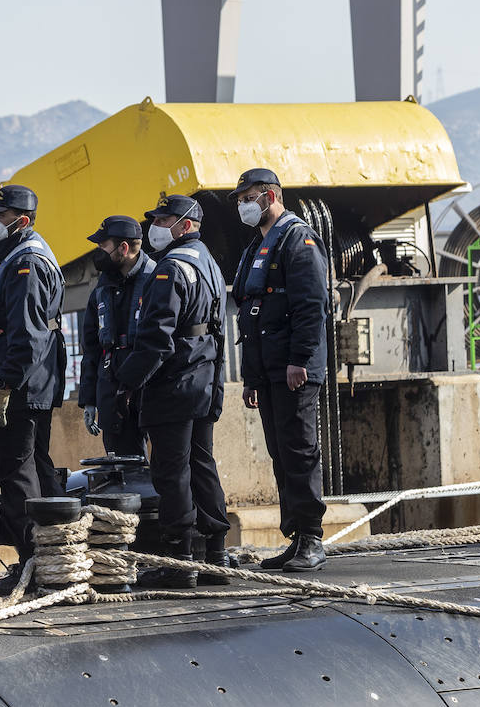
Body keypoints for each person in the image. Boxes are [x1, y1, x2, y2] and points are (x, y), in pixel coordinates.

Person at [115, 194, 231, 588]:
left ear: (185, 225)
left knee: (170, 470)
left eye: (163, 220)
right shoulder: (209, 263)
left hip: (175, 382)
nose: (156, 227)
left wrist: (128, 381)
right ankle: (217, 552)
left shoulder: (170, 269)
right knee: (202, 463)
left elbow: (156, 338)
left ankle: (180, 558)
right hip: (204, 379)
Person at [230, 168, 330, 572]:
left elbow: (311, 306)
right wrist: (252, 378)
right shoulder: (257, 246)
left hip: (293, 370)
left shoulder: (297, 239)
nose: (242, 206)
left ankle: (312, 538)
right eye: (239, 200)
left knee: (299, 450)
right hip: (268, 370)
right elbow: (251, 314)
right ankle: (295, 535)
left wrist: (300, 361)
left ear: (269, 196)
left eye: (247, 198)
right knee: (280, 453)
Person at [0, 184, 67, 598]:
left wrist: (5, 385)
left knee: (17, 471)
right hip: (32, 381)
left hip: (24, 385)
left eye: (0, 215)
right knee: (36, 467)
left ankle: (32, 561)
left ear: (21, 221)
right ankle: (51, 559)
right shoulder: (20, 258)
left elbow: (27, 336)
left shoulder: (27, 263)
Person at [79, 215, 156, 458]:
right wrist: (89, 399)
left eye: (103, 246)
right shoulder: (101, 288)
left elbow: (163, 341)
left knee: (168, 469)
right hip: (112, 388)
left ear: (123, 248)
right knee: (121, 468)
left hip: (151, 386)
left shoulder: (158, 279)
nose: (99, 251)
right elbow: (91, 348)